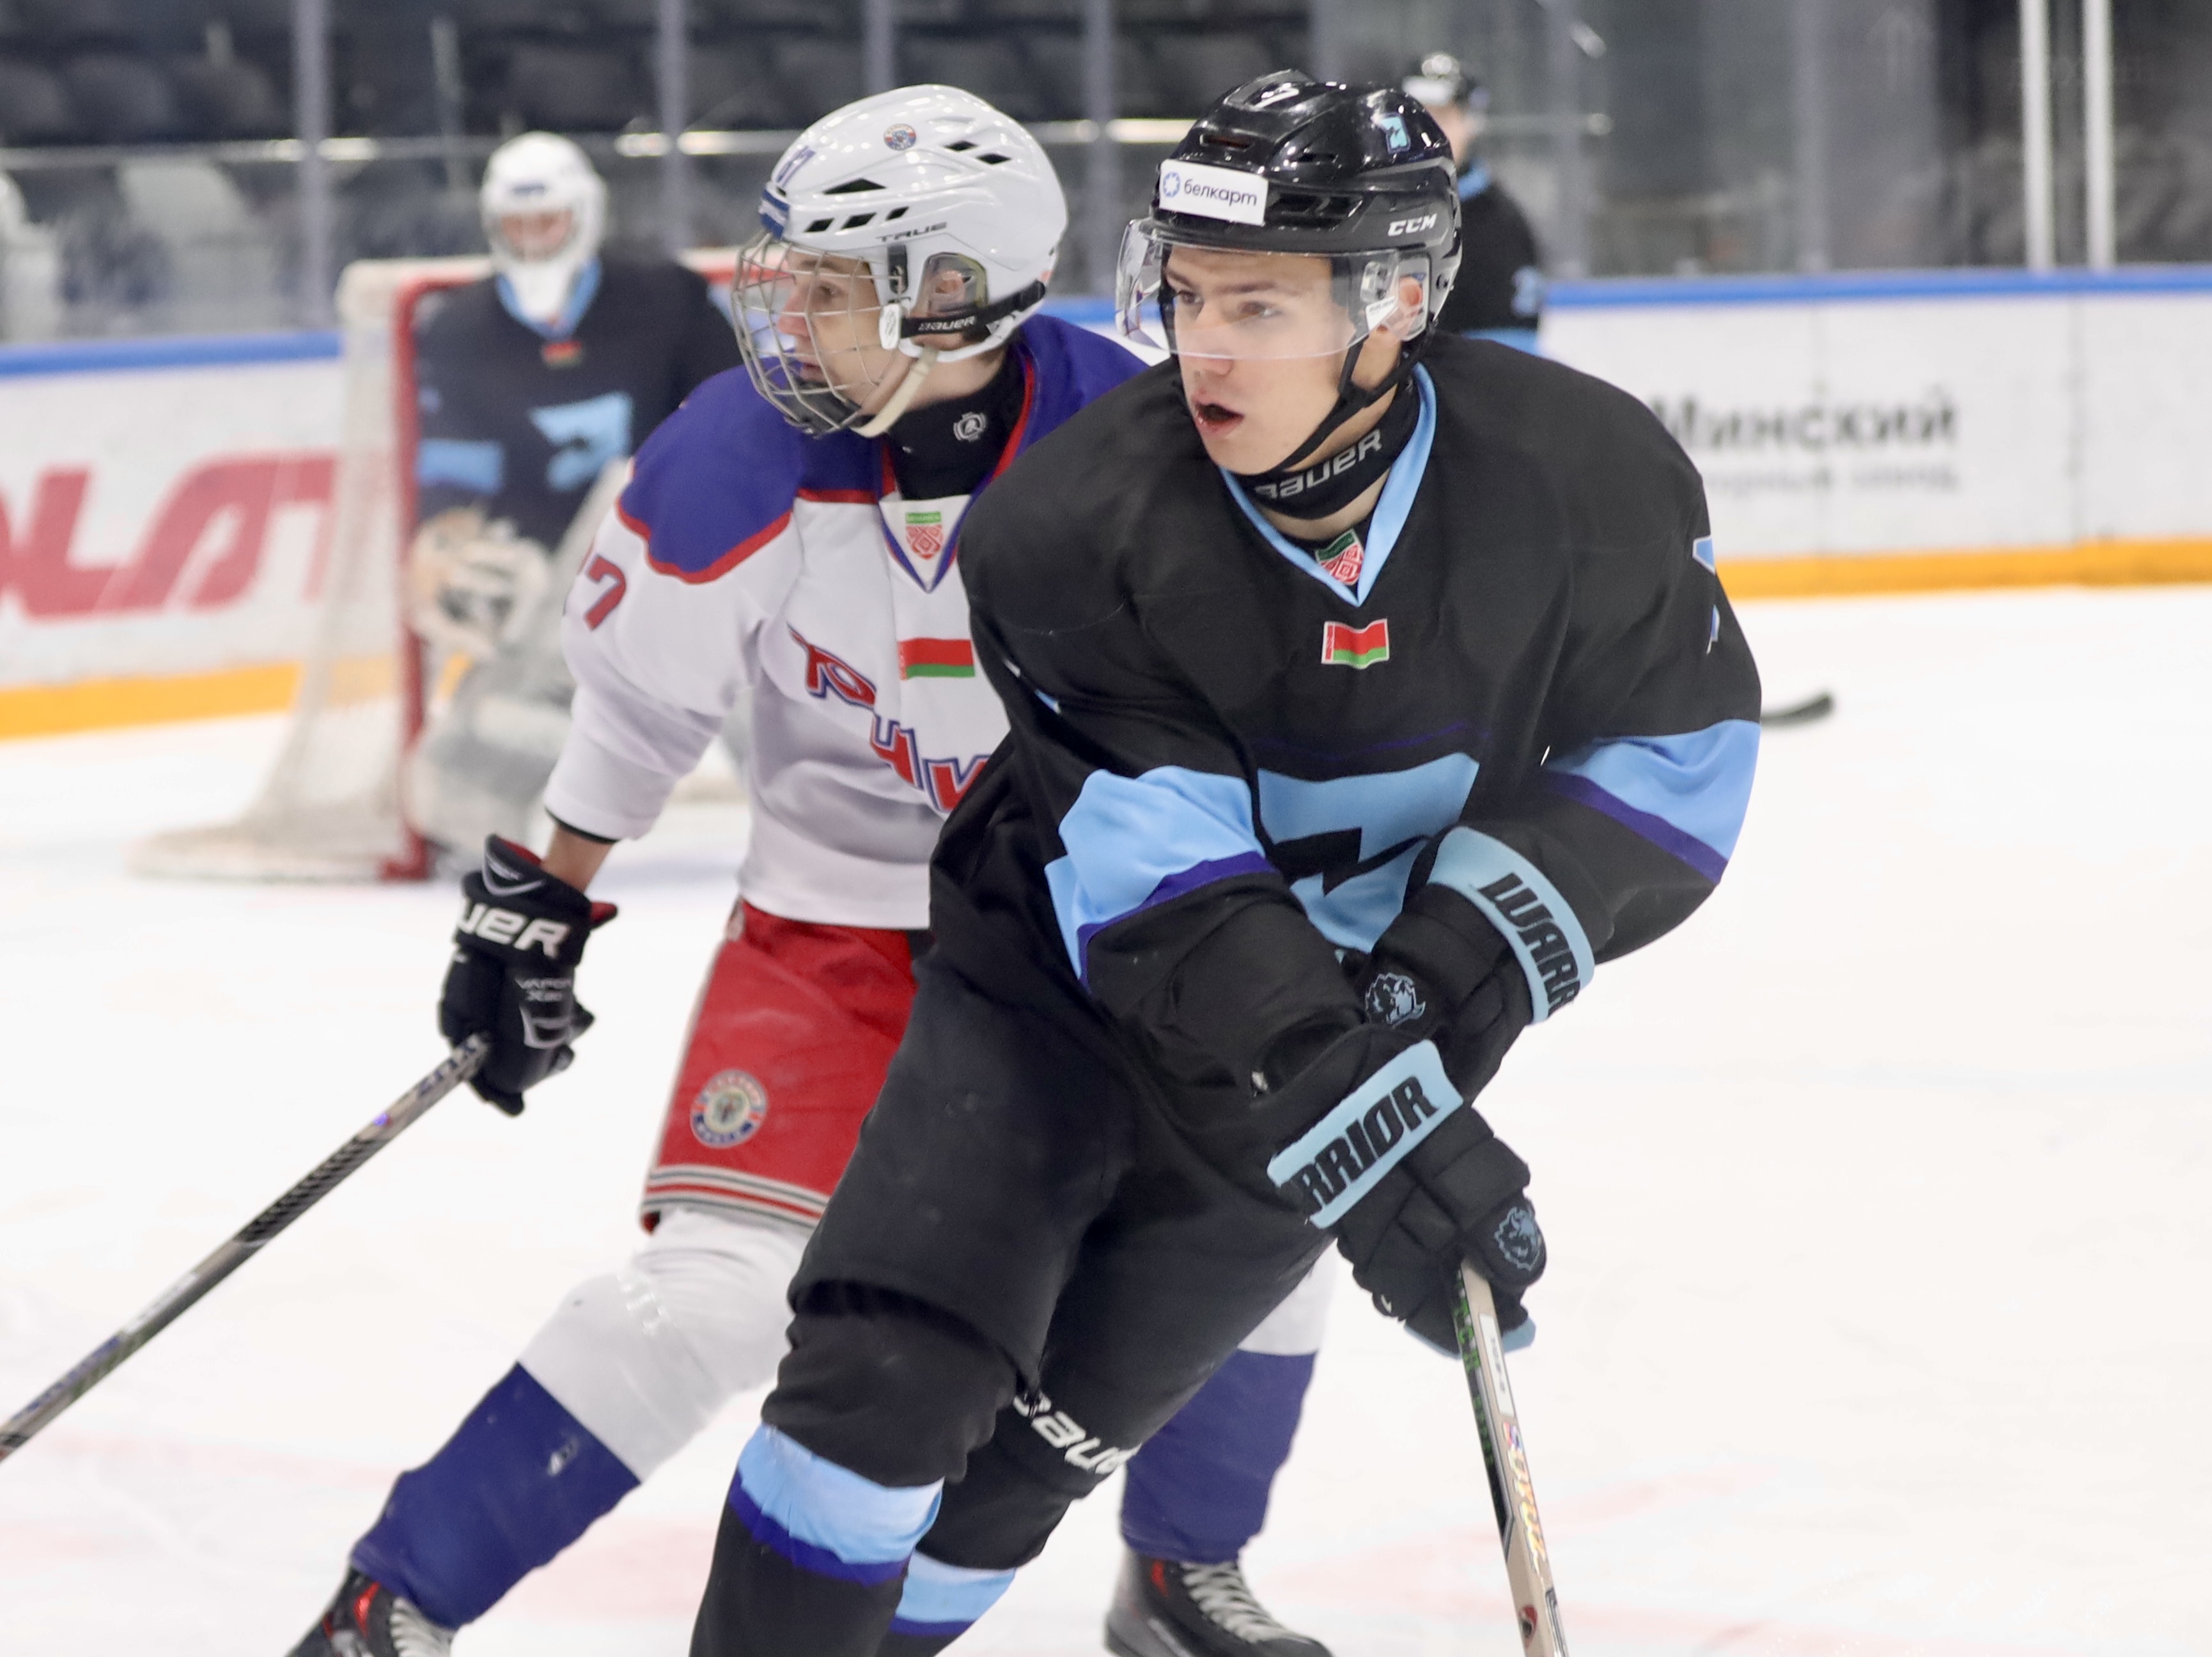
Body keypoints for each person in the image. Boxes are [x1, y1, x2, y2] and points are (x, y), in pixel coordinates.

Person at [688, 71, 1763, 1656]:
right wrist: (1373, 1110)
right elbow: (1167, 885)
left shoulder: (1583, 477)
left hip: (1323, 1064)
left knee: (1022, 1479)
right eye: (1187, 296)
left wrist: (1436, 987)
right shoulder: (1072, 525)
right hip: (1048, 1016)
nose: (1203, 346)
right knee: (884, 1385)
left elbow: (1677, 755)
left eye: (1257, 304)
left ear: (1395, 305)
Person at [288, 87, 1341, 1657]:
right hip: (835, 930)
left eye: (835, 287)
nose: (790, 315)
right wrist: (541, 901)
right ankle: (397, 1598)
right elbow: (637, 714)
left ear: (954, 295)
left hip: (1092, 939)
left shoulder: (1137, 446)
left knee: (1270, 1229)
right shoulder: (740, 453)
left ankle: (1184, 1572)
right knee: (719, 1292)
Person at [400, 130, 745, 853]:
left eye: (548, 221)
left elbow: (734, 429)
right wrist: (449, 547)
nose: (533, 240)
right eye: (517, 225)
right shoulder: (461, 329)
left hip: (681, 566)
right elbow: (454, 478)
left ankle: (829, 824)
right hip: (549, 593)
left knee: (772, 691)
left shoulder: (667, 297)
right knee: (457, 779)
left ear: (585, 216)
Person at [1403, 52, 1543, 345]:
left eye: (1442, 117)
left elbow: (1505, 357)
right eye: (1417, 117)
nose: (1427, 132)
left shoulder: (1499, 227)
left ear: (1470, 123)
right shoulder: (1369, 208)